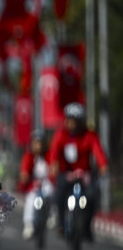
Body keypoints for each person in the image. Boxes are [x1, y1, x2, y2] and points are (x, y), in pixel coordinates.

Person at [47, 102, 109, 241]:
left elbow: (98, 152)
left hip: (84, 175)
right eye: (69, 120)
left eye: (75, 120)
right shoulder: (61, 134)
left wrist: (103, 166)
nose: (71, 124)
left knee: (92, 196)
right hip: (66, 174)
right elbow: (54, 152)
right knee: (59, 194)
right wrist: (53, 164)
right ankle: (61, 224)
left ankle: (86, 227)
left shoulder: (89, 135)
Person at [17, 130, 55, 240]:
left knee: (51, 193)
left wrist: (54, 172)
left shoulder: (49, 155)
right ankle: (29, 224)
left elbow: (53, 166)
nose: (38, 146)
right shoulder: (29, 156)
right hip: (33, 184)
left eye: (41, 143)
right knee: (30, 200)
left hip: (47, 182)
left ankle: (51, 215)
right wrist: (24, 175)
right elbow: (24, 169)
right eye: (36, 143)